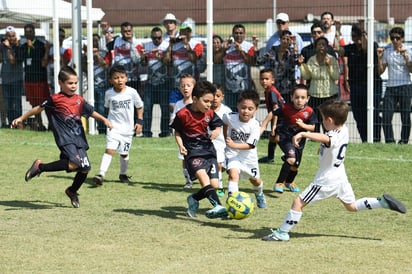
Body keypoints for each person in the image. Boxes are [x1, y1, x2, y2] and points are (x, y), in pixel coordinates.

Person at [262, 100, 406, 242]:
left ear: (329, 120)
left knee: (298, 203)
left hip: (326, 179)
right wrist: (323, 148)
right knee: (351, 206)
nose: (322, 122)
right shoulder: (344, 129)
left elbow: (327, 138)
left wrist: (304, 134)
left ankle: (282, 233)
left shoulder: (332, 135)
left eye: (323, 119)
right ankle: (382, 202)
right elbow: (328, 140)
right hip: (340, 176)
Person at [10, 66, 112, 208]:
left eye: (76, 83)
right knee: (75, 164)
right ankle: (40, 167)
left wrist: (105, 120)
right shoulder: (55, 99)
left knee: (85, 168)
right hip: (65, 138)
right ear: (60, 83)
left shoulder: (79, 100)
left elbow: (91, 111)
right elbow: (38, 108)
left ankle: (71, 190)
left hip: (79, 139)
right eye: (70, 83)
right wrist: (21, 118)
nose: (74, 86)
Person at [170, 80, 228, 219]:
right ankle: (218, 206)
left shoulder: (210, 113)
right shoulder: (182, 114)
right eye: (206, 101)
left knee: (214, 185)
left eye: (211, 101)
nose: (209, 105)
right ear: (195, 98)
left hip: (209, 151)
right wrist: (181, 145)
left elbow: (218, 126)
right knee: (204, 179)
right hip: (193, 153)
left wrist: (216, 131)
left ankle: (194, 198)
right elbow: (177, 131)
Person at [93, 65, 143, 185]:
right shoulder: (109, 93)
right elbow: (107, 107)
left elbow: (139, 106)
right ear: (110, 80)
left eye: (122, 77)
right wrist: (108, 121)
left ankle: (123, 174)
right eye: (116, 78)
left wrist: (139, 121)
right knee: (110, 150)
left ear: (126, 78)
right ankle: (101, 174)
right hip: (113, 127)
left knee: (124, 153)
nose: (119, 80)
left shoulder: (132, 92)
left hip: (127, 130)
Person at [261, 84, 316, 194]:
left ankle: (289, 182)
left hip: (300, 140)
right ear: (291, 97)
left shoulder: (309, 111)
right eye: (296, 97)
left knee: (295, 165)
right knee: (291, 159)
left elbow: (313, 127)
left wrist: (303, 126)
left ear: (307, 99)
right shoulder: (286, 107)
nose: (299, 100)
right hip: (285, 137)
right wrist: (264, 125)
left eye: (302, 98)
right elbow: (272, 112)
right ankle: (279, 183)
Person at [222, 90, 267, 208]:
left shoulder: (255, 125)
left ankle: (259, 193)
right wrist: (225, 136)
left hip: (248, 157)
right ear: (237, 105)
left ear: (256, 109)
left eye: (250, 109)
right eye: (243, 107)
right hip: (233, 155)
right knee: (233, 175)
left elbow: (250, 145)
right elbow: (224, 123)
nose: (246, 111)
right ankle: (232, 204)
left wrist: (233, 144)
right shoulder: (230, 117)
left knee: (255, 180)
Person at [343, 24, 383, 143]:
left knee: (373, 114)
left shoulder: (372, 46)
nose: (357, 39)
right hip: (356, 87)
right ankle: (365, 140)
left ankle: (375, 140)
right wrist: (338, 30)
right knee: (359, 116)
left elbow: (366, 48)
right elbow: (338, 50)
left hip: (372, 87)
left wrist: (364, 33)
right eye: (354, 36)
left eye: (359, 35)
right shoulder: (350, 48)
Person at [377, 27, 412, 144]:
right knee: (386, 116)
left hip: (405, 85)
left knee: (405, 116)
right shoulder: (387, 50)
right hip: (391, 87)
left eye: (397, 38)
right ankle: (390, 141)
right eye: (392, 38)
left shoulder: (409, 50)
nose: (395, 41)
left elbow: (411, 69)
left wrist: (405, 57)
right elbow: (381, 71)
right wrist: (380, 58)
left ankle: (403, 141)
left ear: (402, 38)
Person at [299, 37, 340, 132]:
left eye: (323, 45)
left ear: (327, 47)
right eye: (319, 44)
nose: (321, 47)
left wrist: (329, 65)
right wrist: (301, 65)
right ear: (316, 47)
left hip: (329, 95)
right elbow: (307, 76)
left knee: (329, 120)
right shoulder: (311, 60)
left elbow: (336, 76)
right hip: (315, 94)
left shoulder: (332, 59)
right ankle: (315, 139)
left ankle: (328, 138)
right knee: (315, 120)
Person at [18, 23, 50, 131]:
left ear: (34, 33)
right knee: (34, 103)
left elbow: (43, 63)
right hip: (28, 79)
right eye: (26, 33)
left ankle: (49, 123)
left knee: (43, 103)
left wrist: (33, 47)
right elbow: (19, 59)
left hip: (39, 79)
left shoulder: (40, 45)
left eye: (30, 32)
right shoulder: (23, 47)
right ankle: (38, 124)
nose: (28, 35)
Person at [214, 24, 255, 110]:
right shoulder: (227, 46)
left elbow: (251, 61)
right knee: (231, 111)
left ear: (244, 34)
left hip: (244, 87)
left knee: (243, 110)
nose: (238, 35)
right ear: (232, 34)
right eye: (236, 33)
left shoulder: (249, 46)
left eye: (241, 33)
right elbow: (216, 60)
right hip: (229, 87)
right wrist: (224, 49)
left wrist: (241, 51)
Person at [140, 27, 170, 138]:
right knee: (147, 108)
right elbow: (143, 64)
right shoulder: (147, 46)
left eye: (158, 38)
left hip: (164, 81)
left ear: (162, 36)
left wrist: (158, 56)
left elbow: (168, 62)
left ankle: (165, 132)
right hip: (150, 81)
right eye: (154, 38)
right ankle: (146, 132)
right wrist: (143, 57)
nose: (156, 40)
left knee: (165, 108)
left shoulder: (166, 45)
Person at [257, 29, 298, 102]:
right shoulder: (273, 50)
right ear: (280, 39)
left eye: (288, 39)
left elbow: (297, 62)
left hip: (288, 88)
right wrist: (255, 47)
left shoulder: (292, 52)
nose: (285, 41)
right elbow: (259, 61)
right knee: (274, 110)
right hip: (274, 88)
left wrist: (295, 44)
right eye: (283, 39)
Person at [169, 74, 195, 189]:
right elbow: (174, 119)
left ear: (194, 87)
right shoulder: (179, 104)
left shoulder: (197, 103)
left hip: (197, 137)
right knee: (184, 159)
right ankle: (188, 180)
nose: (185, 88)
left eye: (188, 85)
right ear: (179, 88)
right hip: (184, 138)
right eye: (182, 86)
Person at [163, 23, 203, 91]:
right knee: (174, 101)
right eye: (183, 31)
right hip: (176, 83)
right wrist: (170, 45)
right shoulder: (175, 44)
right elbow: (166, 60)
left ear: (191, 33)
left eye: (187, 31)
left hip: (192, 84)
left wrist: (186, 44)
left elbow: (193, 59)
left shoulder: (197, 44)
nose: (185, 33)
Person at [106, 21, 143, 97]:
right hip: (118, 77)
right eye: (125, 31)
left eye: (129, 31)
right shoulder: (116, 40)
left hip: (132, 78)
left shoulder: (137, 43)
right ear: (121, 32)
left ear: (132, 31)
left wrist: (131, 43)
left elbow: (137, 60)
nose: (127, 33)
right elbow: (105, 48)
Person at [82, 34, 109, 134]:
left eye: (96, 40)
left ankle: (102, 130)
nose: (94, 42)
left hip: (102, 86)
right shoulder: (86, 54)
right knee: (93, 109)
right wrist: (86, 54)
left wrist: (97, 55)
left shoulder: (103, 53)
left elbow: (106, 66)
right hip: (92, 86)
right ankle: (93, 128)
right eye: (92, 40)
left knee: (102, 109)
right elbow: (83, 68)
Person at [258, 68, 285, 164]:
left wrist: (273, 126)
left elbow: (276, 109)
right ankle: (270, 158)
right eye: (262, 79)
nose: (264, 81)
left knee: (276, 137)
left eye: (266, 79)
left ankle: (289, 154)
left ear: (272, 80)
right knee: (273, 137)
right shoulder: (268, 91)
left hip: (282, 118)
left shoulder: (272, 92)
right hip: (279, 118)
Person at [211, 84, 232, 197]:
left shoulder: (226, 111)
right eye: (213, 95)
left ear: (222, 97)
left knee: (222, 167)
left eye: (217, 96)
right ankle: (219, 187)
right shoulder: (205, 109)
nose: (215, 98)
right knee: (218, 165)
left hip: (223, 143)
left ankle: (215, 179)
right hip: (210, 142)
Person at [0, 26, 23, 127]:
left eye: (13, 36)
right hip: (5, 80)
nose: (11, 38)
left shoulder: (19, 47)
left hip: (16, 80)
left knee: (17, 103)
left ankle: (18, 123)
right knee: (7, 104)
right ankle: (10, 123)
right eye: (8, 36)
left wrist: (9, 48)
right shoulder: (2, 47)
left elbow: (12, 61)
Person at [48, 28, 72, 94]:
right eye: (59, 36)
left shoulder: (66, 50)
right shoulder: (49, 49)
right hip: (50, 77)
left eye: (62, 36)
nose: (60, 38)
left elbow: (64, 64)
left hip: (61, 76)